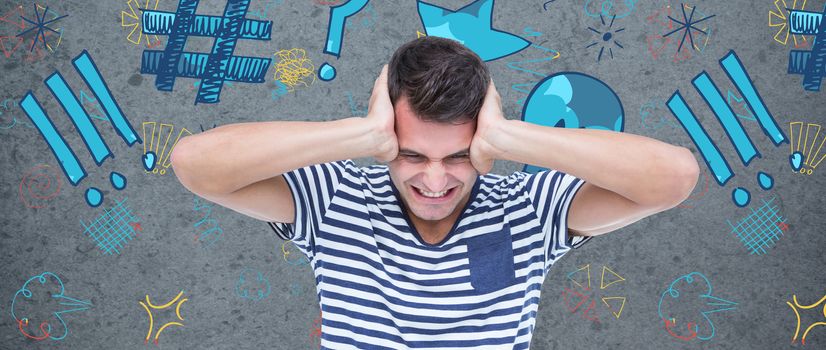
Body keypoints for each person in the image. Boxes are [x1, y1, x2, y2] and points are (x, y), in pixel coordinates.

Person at [170, 37, 699, 349]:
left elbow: (674, 178)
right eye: (413, 154)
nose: (436, 181)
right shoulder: (335, 199)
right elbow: (195, 165)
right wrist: (360, 133)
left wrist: (510, 136)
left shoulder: (530, 210)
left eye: (460, 156)